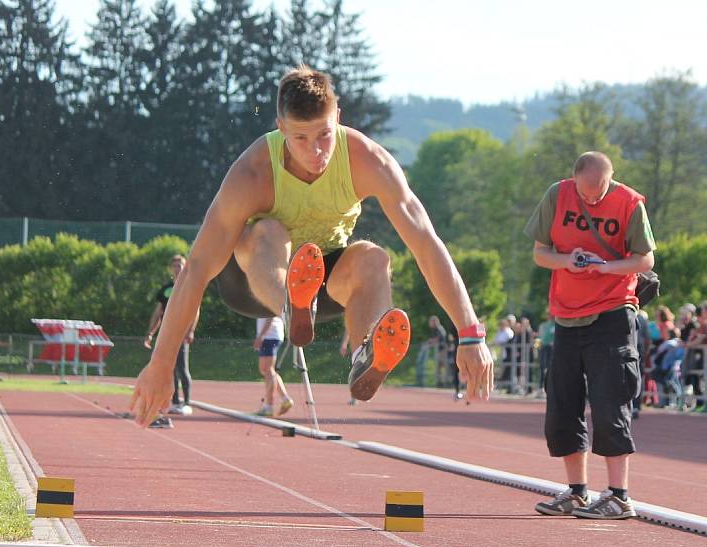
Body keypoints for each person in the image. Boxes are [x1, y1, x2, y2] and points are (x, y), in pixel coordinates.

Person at [130, 66, 493, 427]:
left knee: (374, 258)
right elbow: (195, 269)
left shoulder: (368, 160)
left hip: (324, 282)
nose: (315, 151)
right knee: (270, 231)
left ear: (338, 117)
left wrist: (470, 332)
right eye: (300, 139)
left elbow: (426, 244)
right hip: (253, 279)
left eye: (324, 134)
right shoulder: (253, 172)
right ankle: (291, 306)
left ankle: (365, 355)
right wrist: (162, 362)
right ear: (281, 128)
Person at [524, 151, 655, 520]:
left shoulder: (629, 202)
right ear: (574, 180)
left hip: (613, 311)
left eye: (600, 192)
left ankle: (618, 495)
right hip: (566, 315)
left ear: (611, 179)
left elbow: (646, 259)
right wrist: (567, 260)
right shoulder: (557, 195)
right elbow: (540, 253)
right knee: (562, 405)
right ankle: (577, 492)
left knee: (610, 401)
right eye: (586, 193)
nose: (593, 199)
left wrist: (608, 267)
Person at [143, 254, 198, 428]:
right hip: (167, 333)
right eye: (175, 265)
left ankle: (187, 402)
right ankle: (175, 402)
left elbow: (195, 310)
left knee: (182, 367)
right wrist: (150, 333)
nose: (178, 268)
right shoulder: (166, 289)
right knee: (169, 368)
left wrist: (191, 330)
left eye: (180, 264)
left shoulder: (189, 287)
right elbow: (158, 312)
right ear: (171, 268)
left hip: (181, 332)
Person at [253, 315, 294, 417]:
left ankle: (269, 406)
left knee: (268, 370)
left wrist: (261, 336)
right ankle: (285, 399)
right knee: (265, 370)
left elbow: (270, 316)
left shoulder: (272, 299)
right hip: (270, 336)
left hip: (270, 336)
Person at [415, 315, 450, 387]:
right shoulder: (436, 329)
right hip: (439, 350)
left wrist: (430, 342)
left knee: (445, 367)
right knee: (439, 367)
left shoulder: (439, 329)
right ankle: (439, 382)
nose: (430, 323)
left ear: (434, 321)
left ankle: (446, 382)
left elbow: (438, 339)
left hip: (443, 350)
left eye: (431, 321)